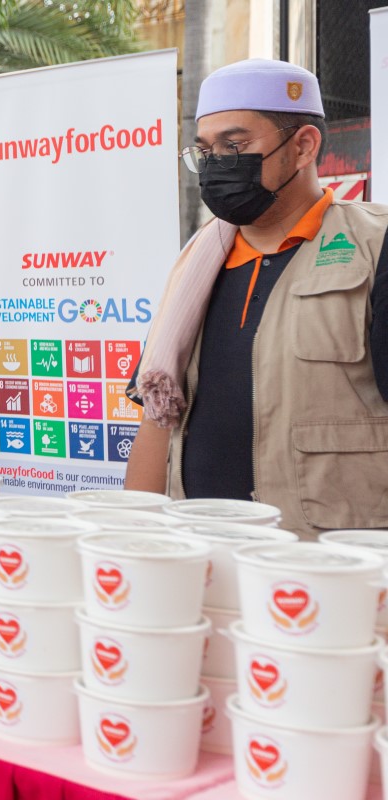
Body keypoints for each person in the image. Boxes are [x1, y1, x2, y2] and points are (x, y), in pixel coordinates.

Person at [124, 58, 388, 537]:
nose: (216, 164)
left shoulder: (375, 247)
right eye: (204, 150)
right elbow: (157, 422)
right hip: (200, 554)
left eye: (235, 145)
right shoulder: (195, 265)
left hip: (332, 561)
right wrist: (134, 539)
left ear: (304, 146)